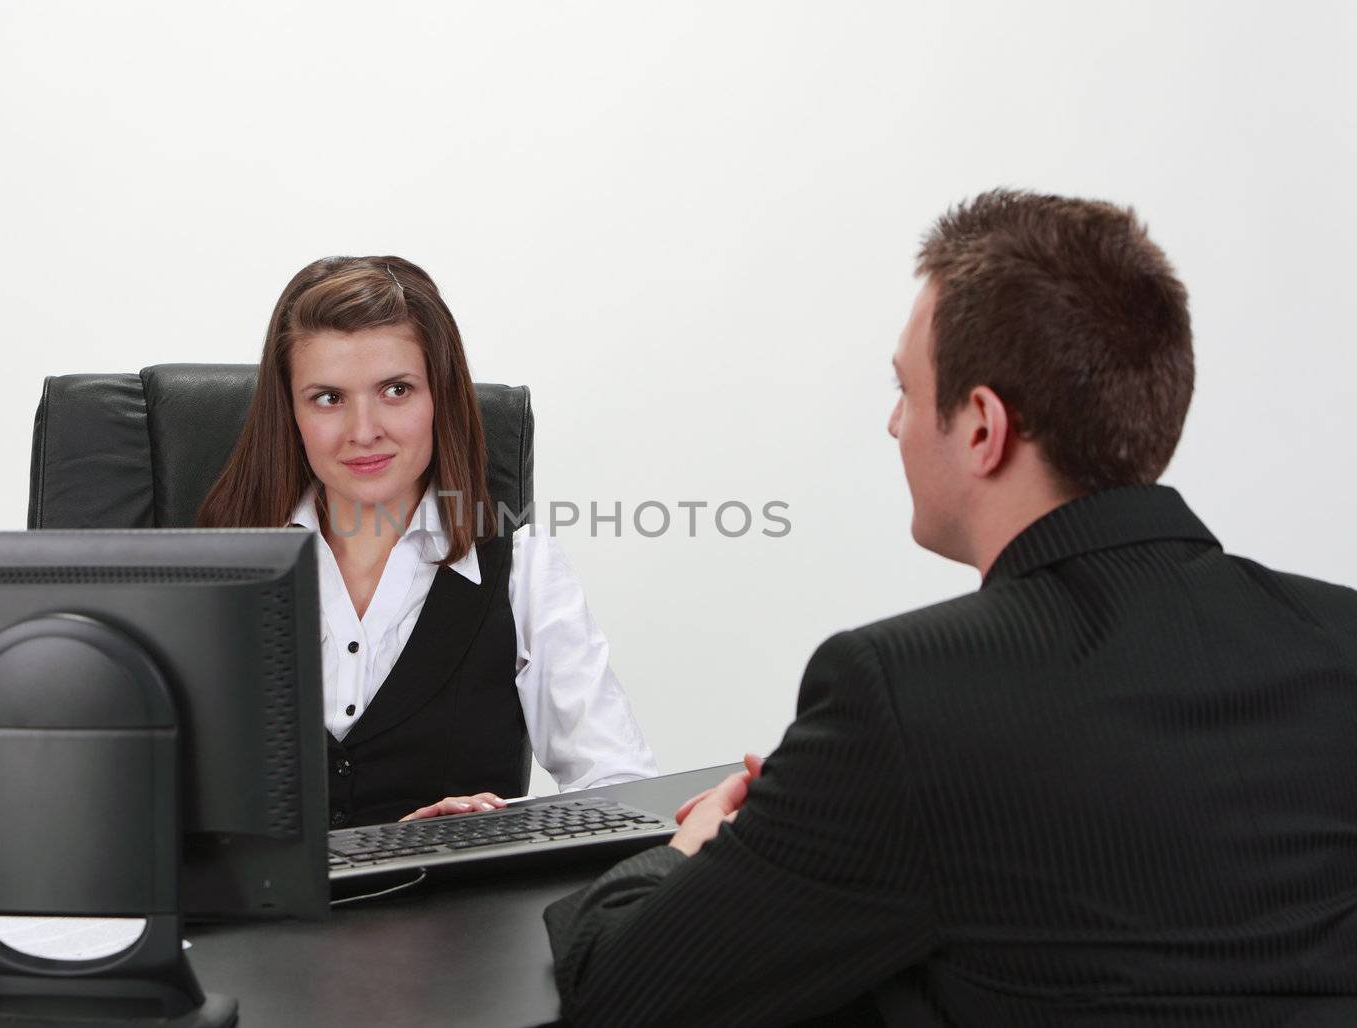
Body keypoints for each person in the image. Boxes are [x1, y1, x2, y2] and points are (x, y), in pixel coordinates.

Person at [544, 190, 1357, 1025]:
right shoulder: (1341, 639)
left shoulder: (904, 697)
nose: (894, 423)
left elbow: (621, 991)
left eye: (906, 388)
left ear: (981, 428)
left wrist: (690, 850)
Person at [198, 256, 656, 828]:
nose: (364, 430)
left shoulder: (523, 569)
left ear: (440, 396)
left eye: (396, 390)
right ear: (289, 411)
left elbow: (621, 789)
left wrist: (499, 821)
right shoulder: (207, 569)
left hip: (455, 910)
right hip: (254, 914)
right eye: (328, 398)